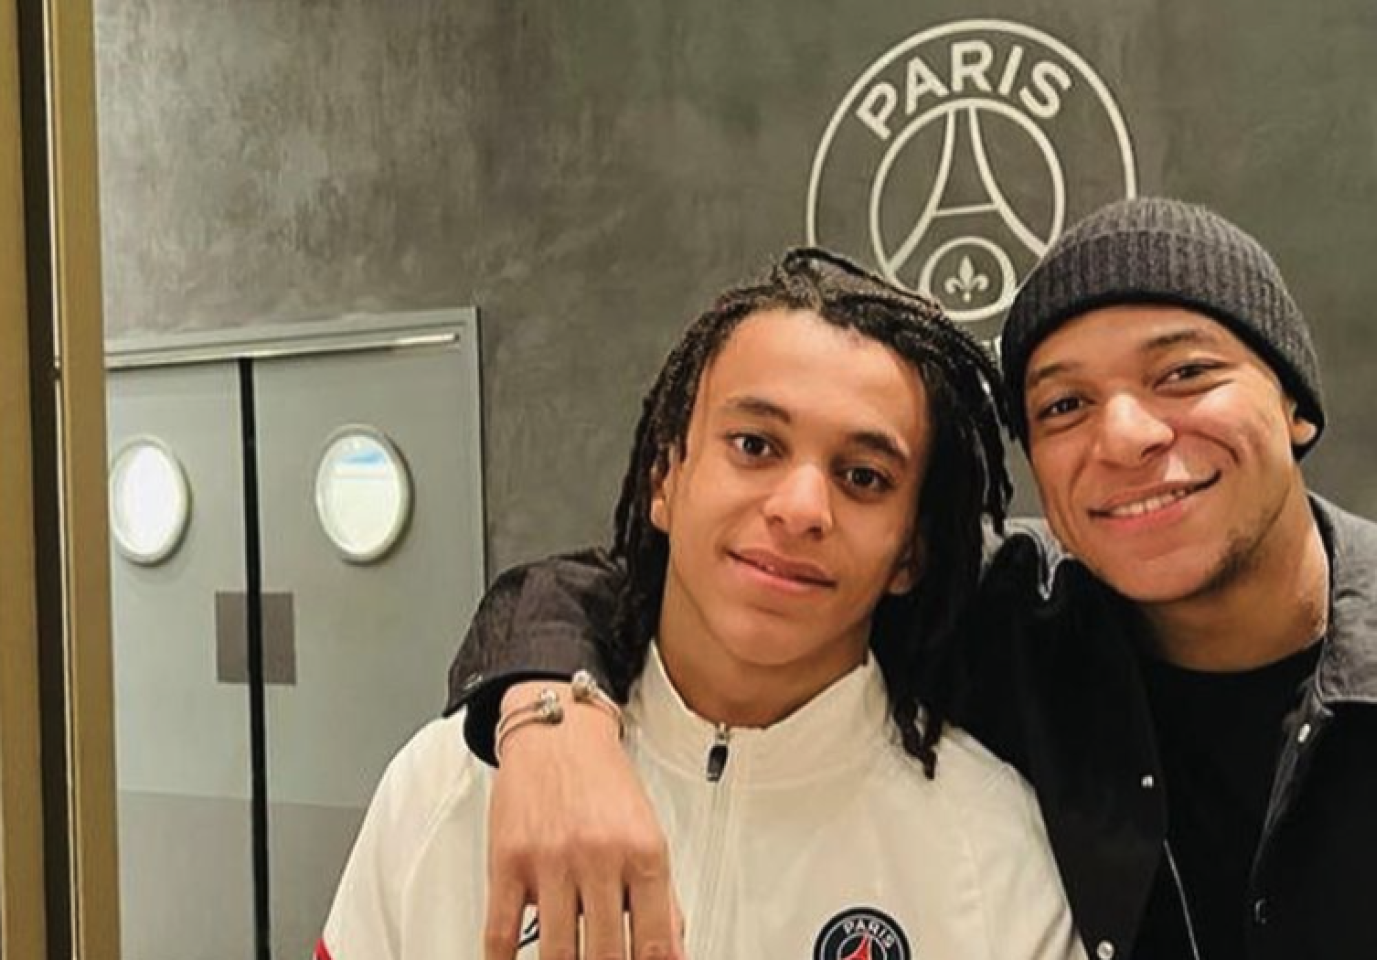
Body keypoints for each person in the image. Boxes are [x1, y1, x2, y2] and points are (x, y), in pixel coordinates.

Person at [451, 199, 1377, 959]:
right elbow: (678, 575)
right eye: (1060, 404)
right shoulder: (999, 629)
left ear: (1295, 405)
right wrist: (552, 714)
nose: (1127, 436)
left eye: (1182, 372)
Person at [317, 249, 1085, 960]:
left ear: (910, 551)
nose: (800, 508)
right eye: (755, 445)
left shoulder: (991, 848)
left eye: (863, 477)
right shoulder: (452, 783)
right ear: (665, 478)